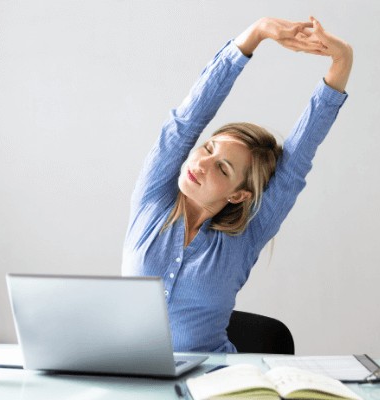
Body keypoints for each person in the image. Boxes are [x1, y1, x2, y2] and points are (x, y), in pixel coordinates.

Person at [122, 16, 353, 352]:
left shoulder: (246, 237)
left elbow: (297, 161)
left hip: (214, 384)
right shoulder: (153, 199)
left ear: (239, 194)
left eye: (223, 168)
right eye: (208, 147)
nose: (201, 163)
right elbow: (188, 119)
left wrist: (342, 59)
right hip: (129, 378)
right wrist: (255, 34)